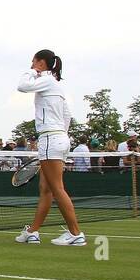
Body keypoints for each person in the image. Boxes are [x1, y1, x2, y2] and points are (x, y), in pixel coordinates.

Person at [14, 49, 85, 246]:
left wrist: (33, 71)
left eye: (33, 61)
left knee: (56, 188)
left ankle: (76, 233)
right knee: (46, 189)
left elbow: (22, 85)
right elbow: (67, 116)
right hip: (59, 138)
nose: (31, 65)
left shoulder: (46, 80)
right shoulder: (56, 86)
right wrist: (61, 135)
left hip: (51, 140)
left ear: (41, 62)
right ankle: (33, 232)